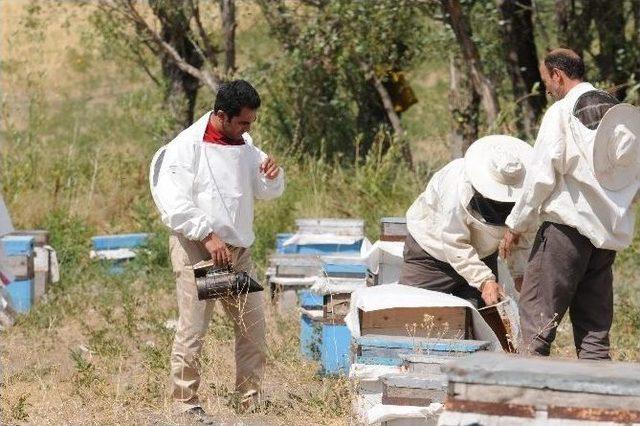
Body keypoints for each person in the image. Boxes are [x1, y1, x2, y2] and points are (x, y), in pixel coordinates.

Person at [149, 80, 284, 423]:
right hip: (199, 250)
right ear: (221, 116)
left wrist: (270, 175)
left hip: (236, 252)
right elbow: (172, 200)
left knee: (253, 328)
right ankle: (185, 403)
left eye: (251, 123)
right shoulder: (186, 147)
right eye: (242, 122)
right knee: (194, 329)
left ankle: (249, 400)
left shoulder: (245, 144)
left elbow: (265, 191)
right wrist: (206, 234)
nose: (247, 130)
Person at [502, 48, 640, 359]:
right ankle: (596, 406)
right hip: (604, 240)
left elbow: (540, 175)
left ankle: (528, 403)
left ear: (557, 75)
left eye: (546, 81)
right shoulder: (616, 114)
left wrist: (515, 224)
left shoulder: (562, 111)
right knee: (594, 337)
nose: (547, 88)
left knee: (536, 325)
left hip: (566, 234)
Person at [399, 135, 533, 308]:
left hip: (482, 257)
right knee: (411, 318)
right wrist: (484, 280)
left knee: (481, 323)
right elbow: (453, 242)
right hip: (431, 257)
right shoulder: (454, 186)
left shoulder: (523, 192)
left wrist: (520, 273)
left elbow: (522, 231)